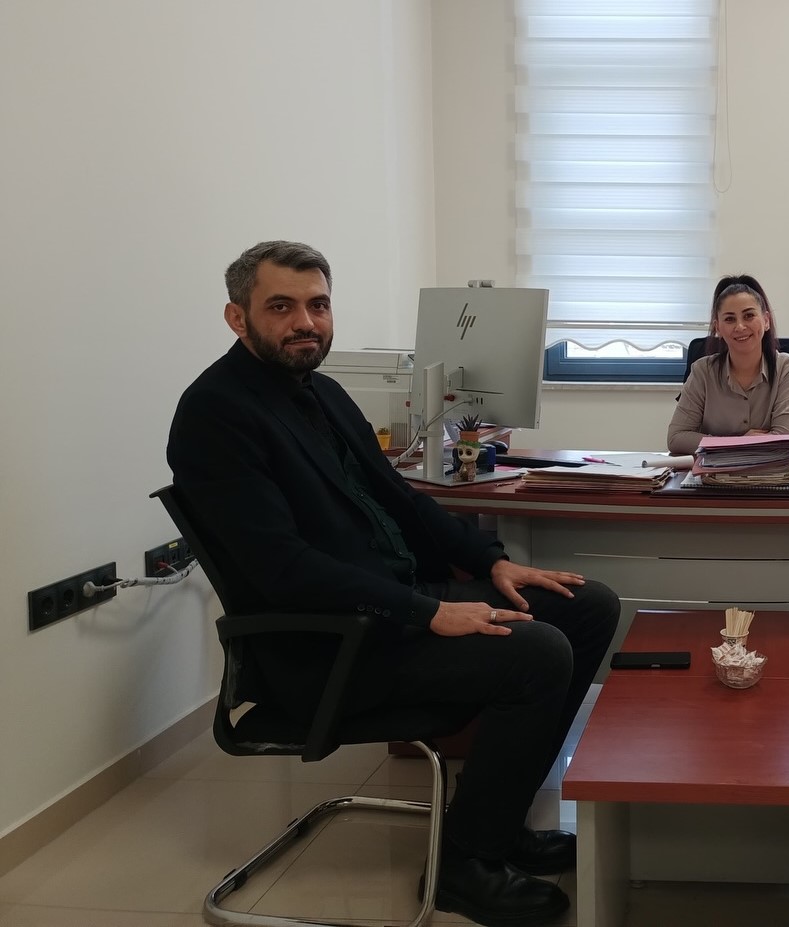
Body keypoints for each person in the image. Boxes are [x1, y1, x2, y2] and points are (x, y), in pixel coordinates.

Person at [168, 240, 621, 925]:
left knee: (583, 605)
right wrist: (427, 612)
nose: (306, 322)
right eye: (281, 307)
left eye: (318, 305)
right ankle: (465, 865)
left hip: (392, 609)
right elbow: (282, 568)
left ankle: (497, 821)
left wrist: (491, 561)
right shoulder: (216, 414)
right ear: (238, 317)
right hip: (330, 644)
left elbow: (403, 501)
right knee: (538, 653)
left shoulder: (322, 392)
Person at [666, 274, 789, 455]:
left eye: (749, 316)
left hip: (769, 471)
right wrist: (738, 443)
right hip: (715, 471)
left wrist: (720, 444)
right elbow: (676, 438)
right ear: (718, 328)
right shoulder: (702, 371)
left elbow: (785, 439)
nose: (740, 327)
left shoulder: (785, 367)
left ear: (766, 321)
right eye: (730, 319)